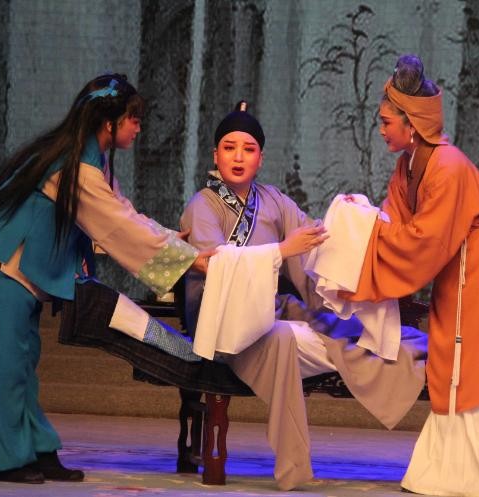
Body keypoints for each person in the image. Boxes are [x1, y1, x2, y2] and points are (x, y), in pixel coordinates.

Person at [0, 73, 210, 484]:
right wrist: (190, 261)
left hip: (18, 272)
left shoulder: (90, 162)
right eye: (133, 120)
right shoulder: (74, 166)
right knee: (5, 369)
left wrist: (175, 243)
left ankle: (37, 450)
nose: (138, 128)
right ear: (109, 122)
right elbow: (116, 226)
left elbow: (124, 214)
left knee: (21, 366)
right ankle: (6, 459)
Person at [181, 101, 427, 491]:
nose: (238, 157)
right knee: (282, 338)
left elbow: (313, 239)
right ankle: (294, 463)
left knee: (343, 332)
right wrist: (281, 250)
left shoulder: (273, 200)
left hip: (269, 313)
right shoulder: (202, 207)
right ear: (215, 155)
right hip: (223, 325)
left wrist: (349, 218)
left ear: (261, 158)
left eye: (248, 149)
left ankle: (418, 352)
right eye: (229, 148)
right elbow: (215, 266)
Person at [341, 55, 479, 496]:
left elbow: (421, 241)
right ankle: (452, 470)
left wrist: (372, 227)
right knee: (454, 357)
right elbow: (395, 223)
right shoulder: (408, 165)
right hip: (462, 263)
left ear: (411, 124)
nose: (381, 130)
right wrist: (364, 219)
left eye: (386, 122)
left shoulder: (447, 165)